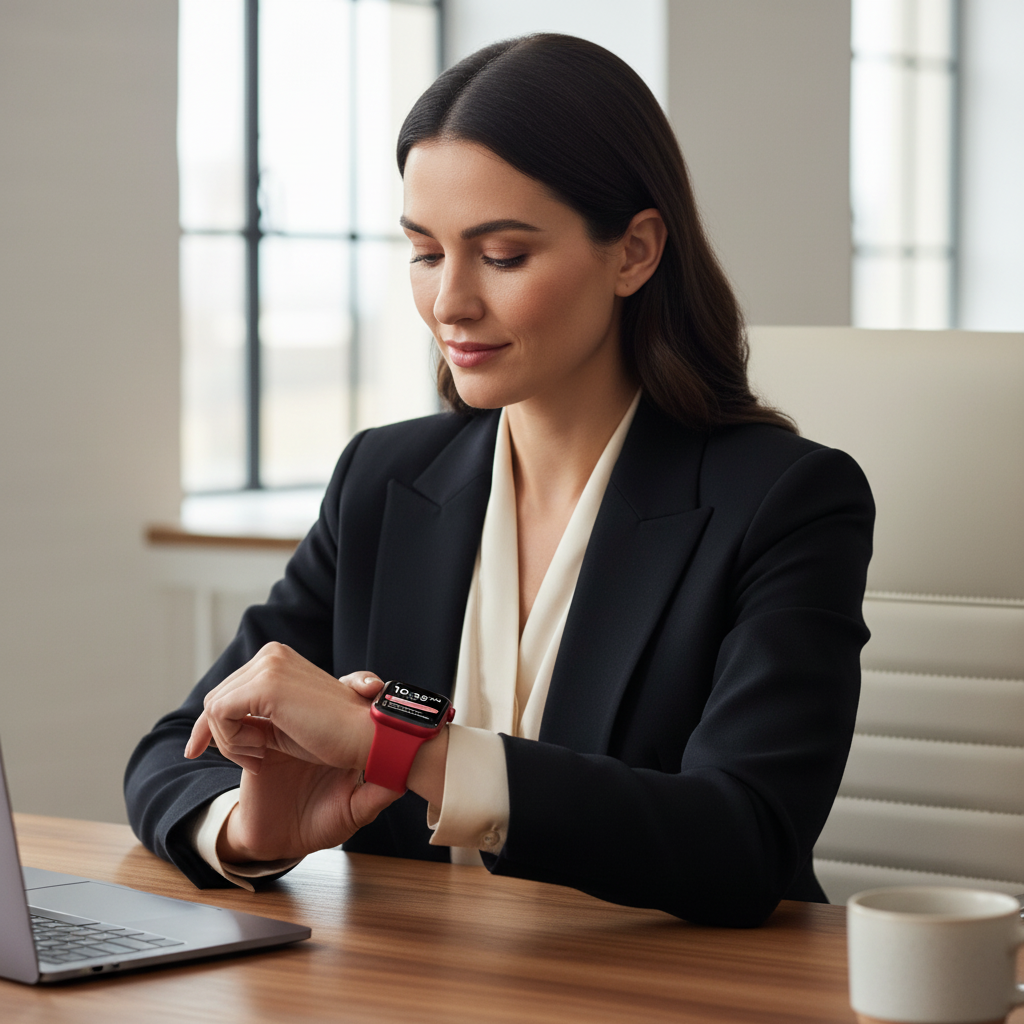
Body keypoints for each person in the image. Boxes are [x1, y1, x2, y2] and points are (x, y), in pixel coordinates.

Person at [125, 34, 873, 928]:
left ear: (634, 252)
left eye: (504, 255)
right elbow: (176, 752)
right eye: (426, 252)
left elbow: (745, 839)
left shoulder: (786, 503)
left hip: (669, 990)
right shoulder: (384, 478)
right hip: (410, 984)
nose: (450, 303)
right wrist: (254, 830)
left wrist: (396, 750)